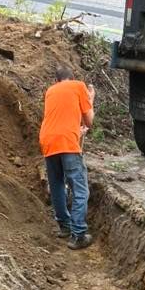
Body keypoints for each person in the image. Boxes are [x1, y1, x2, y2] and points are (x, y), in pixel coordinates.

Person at [39, 66, 95, 250]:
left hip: (48, 141)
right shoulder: (78, 86)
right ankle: (78, 234)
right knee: (80, 189)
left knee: (56, 184)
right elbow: (89, 121)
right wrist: (90, 100)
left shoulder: (50, 91)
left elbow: (61, 118)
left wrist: (75, 132)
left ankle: (64, 225)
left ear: (57, 81)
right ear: (72, 78)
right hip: (67, 143)